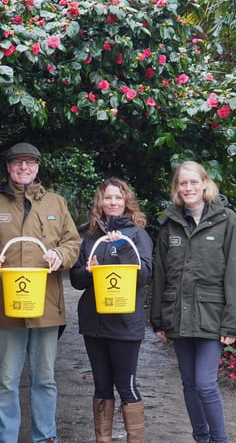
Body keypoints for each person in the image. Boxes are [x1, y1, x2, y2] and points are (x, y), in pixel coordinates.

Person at [0, 142, 81, 443]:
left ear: (38, 167)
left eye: (30, 162)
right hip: (6, 308)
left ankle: (45, 437)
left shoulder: (57, 203)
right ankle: (5, 439)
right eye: (18, 163)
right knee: (6, 381)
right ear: (8, 167)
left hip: (47, 307)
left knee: (44, 379)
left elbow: (73, 243)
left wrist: (61, 255)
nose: (24, 168)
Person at [150, 161, 236, 443]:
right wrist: (158, 318)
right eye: (183, 183)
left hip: (212, 317)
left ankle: (220, 439)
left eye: (194, 182)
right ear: (177, 188)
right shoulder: (168, 224)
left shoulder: (227, 220)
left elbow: (235, 273)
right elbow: (161, 274)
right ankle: (200, 438)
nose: (188, 188)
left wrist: (231, 322)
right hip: (177, 315)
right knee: (189, 385)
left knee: (205, 384)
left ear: (205, 183)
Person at [70, 178, 153, 443]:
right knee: (102, 388)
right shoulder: (91, 236)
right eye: (108, 198)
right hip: (94, 324)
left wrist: (122, 249)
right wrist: (87, 270)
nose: (113, 202)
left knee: (126, 387)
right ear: (101, 203)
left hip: (125, 324)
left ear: (126, 201)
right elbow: (76, 280)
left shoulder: (138, 234)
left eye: (118, 197)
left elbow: (144, 276)